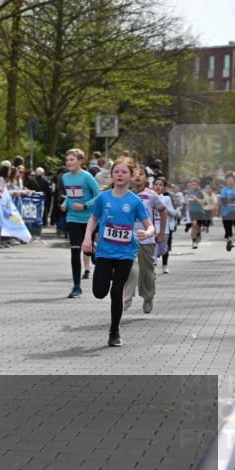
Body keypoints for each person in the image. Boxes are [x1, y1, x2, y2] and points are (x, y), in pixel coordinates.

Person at [82, 157, 154, 347]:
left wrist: (146, 233)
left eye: (124, 172)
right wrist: (87, 238)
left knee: (117, 292)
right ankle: (108, 276)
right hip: (105, 251)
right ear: (112, 176)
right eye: (116, 172)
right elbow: (93, 219)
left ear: (130, 176)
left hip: (125, 253)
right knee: (99, 292)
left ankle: (114, 331)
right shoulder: (103, 198)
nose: (119, 175)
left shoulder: (135, 201)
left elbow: (149, 225)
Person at [123, 167, 167, 314]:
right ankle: (127, 296)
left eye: (141, 174)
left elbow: (163, 211)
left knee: (146, 272)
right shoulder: (124, 193)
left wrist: (161, 233)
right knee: (129, 267)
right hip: (127, 238)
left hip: (146, 238)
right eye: (134, 174)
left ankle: (148, 296)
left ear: (147, 179)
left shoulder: (151, 195)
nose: (137, 177)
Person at [61, 148, 101, 298]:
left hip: (88, 219)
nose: (69, 162)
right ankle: (76, 287)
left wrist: (85, 206)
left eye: (72, 159)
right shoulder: (65, 177)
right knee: (74, 250)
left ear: (80, 161)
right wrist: (65, 202)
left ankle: (94, 251)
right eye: (67, 160)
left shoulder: (87, 177)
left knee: (87, 249)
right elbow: (70, 195)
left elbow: (99, 195)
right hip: (73, 218)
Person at [153, 176, 182, 272]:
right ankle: (153, 267)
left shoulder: (166, 198)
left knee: (162, 250)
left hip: (164, 228)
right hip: (152, 228)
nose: (158, 187)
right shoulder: (149, 197)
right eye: (156, 184)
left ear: (164, 188)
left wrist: (164, 208)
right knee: (154, 249)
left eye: (160, 185)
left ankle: (164, 264)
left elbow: (173, 212)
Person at [184, 178, 206, 249]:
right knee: (194, 225)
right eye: (192, 184)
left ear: (198, 185)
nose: (193, 186)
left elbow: (202, 202)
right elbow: (187, 202)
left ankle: (198, 234)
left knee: (198, 227)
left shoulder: (200, 193)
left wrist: (196, 198)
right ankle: (194, 242)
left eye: (195, 184)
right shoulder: (188, 192)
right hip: (192, 211)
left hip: (200, 212)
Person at [219, 172, 235, 252]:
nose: (230, 181)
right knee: (228, 227)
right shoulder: (224, 190)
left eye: (231, 180)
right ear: (226, 181)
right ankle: (229, 241)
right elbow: (223, 201)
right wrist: (234, 198)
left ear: (234, 181)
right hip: (225, 212)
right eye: (228, 180)